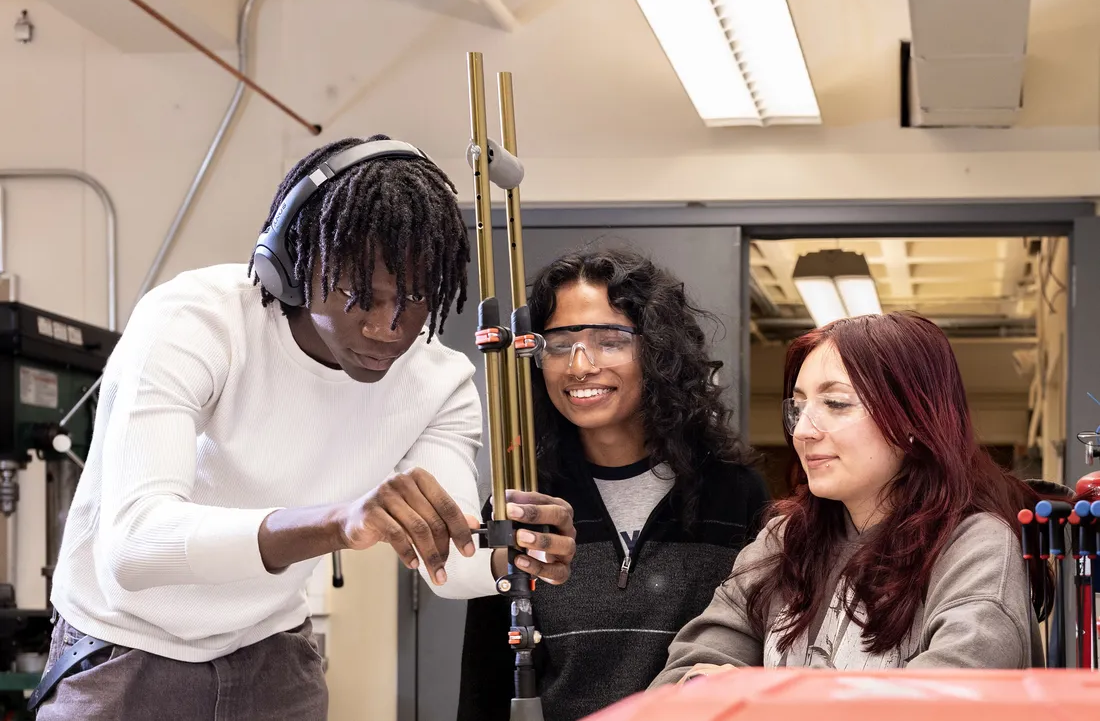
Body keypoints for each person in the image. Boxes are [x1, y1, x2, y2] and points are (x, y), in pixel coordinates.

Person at [31, 135, 577, 720]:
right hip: (124, 653)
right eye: (359, 296)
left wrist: (512, 555)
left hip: (272, 655)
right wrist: (337, 521)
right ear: (291, 264)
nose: (387, 329)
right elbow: (134, 546)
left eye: (415, 300)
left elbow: (449, 562)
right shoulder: (196, 322)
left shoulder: (437, 383)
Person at [649, 312, 1052, 686]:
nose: (803, 431)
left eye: (836, 404)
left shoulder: (976, 546)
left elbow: (944, 697)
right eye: (799, 406)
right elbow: (687, 675)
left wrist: (757, 692)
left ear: (914, 420)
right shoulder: (785, 537)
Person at [457, 248, 770, 721]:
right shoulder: (522, 501)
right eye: (559, 343)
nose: (580, 365)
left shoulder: (736, 493)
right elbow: (484, 686)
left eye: (610, 340)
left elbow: (761, 658)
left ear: (658, 350)